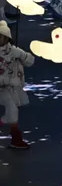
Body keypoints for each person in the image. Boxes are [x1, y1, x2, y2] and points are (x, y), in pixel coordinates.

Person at [0, 20, 33, 149]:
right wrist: (7, 81)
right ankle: (16, 138)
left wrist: (23, 55)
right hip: (2, 88)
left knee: (12, 111)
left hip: (14, 88)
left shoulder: (13, 51)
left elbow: (30, 62)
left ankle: (15, 138)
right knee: (12, 110)